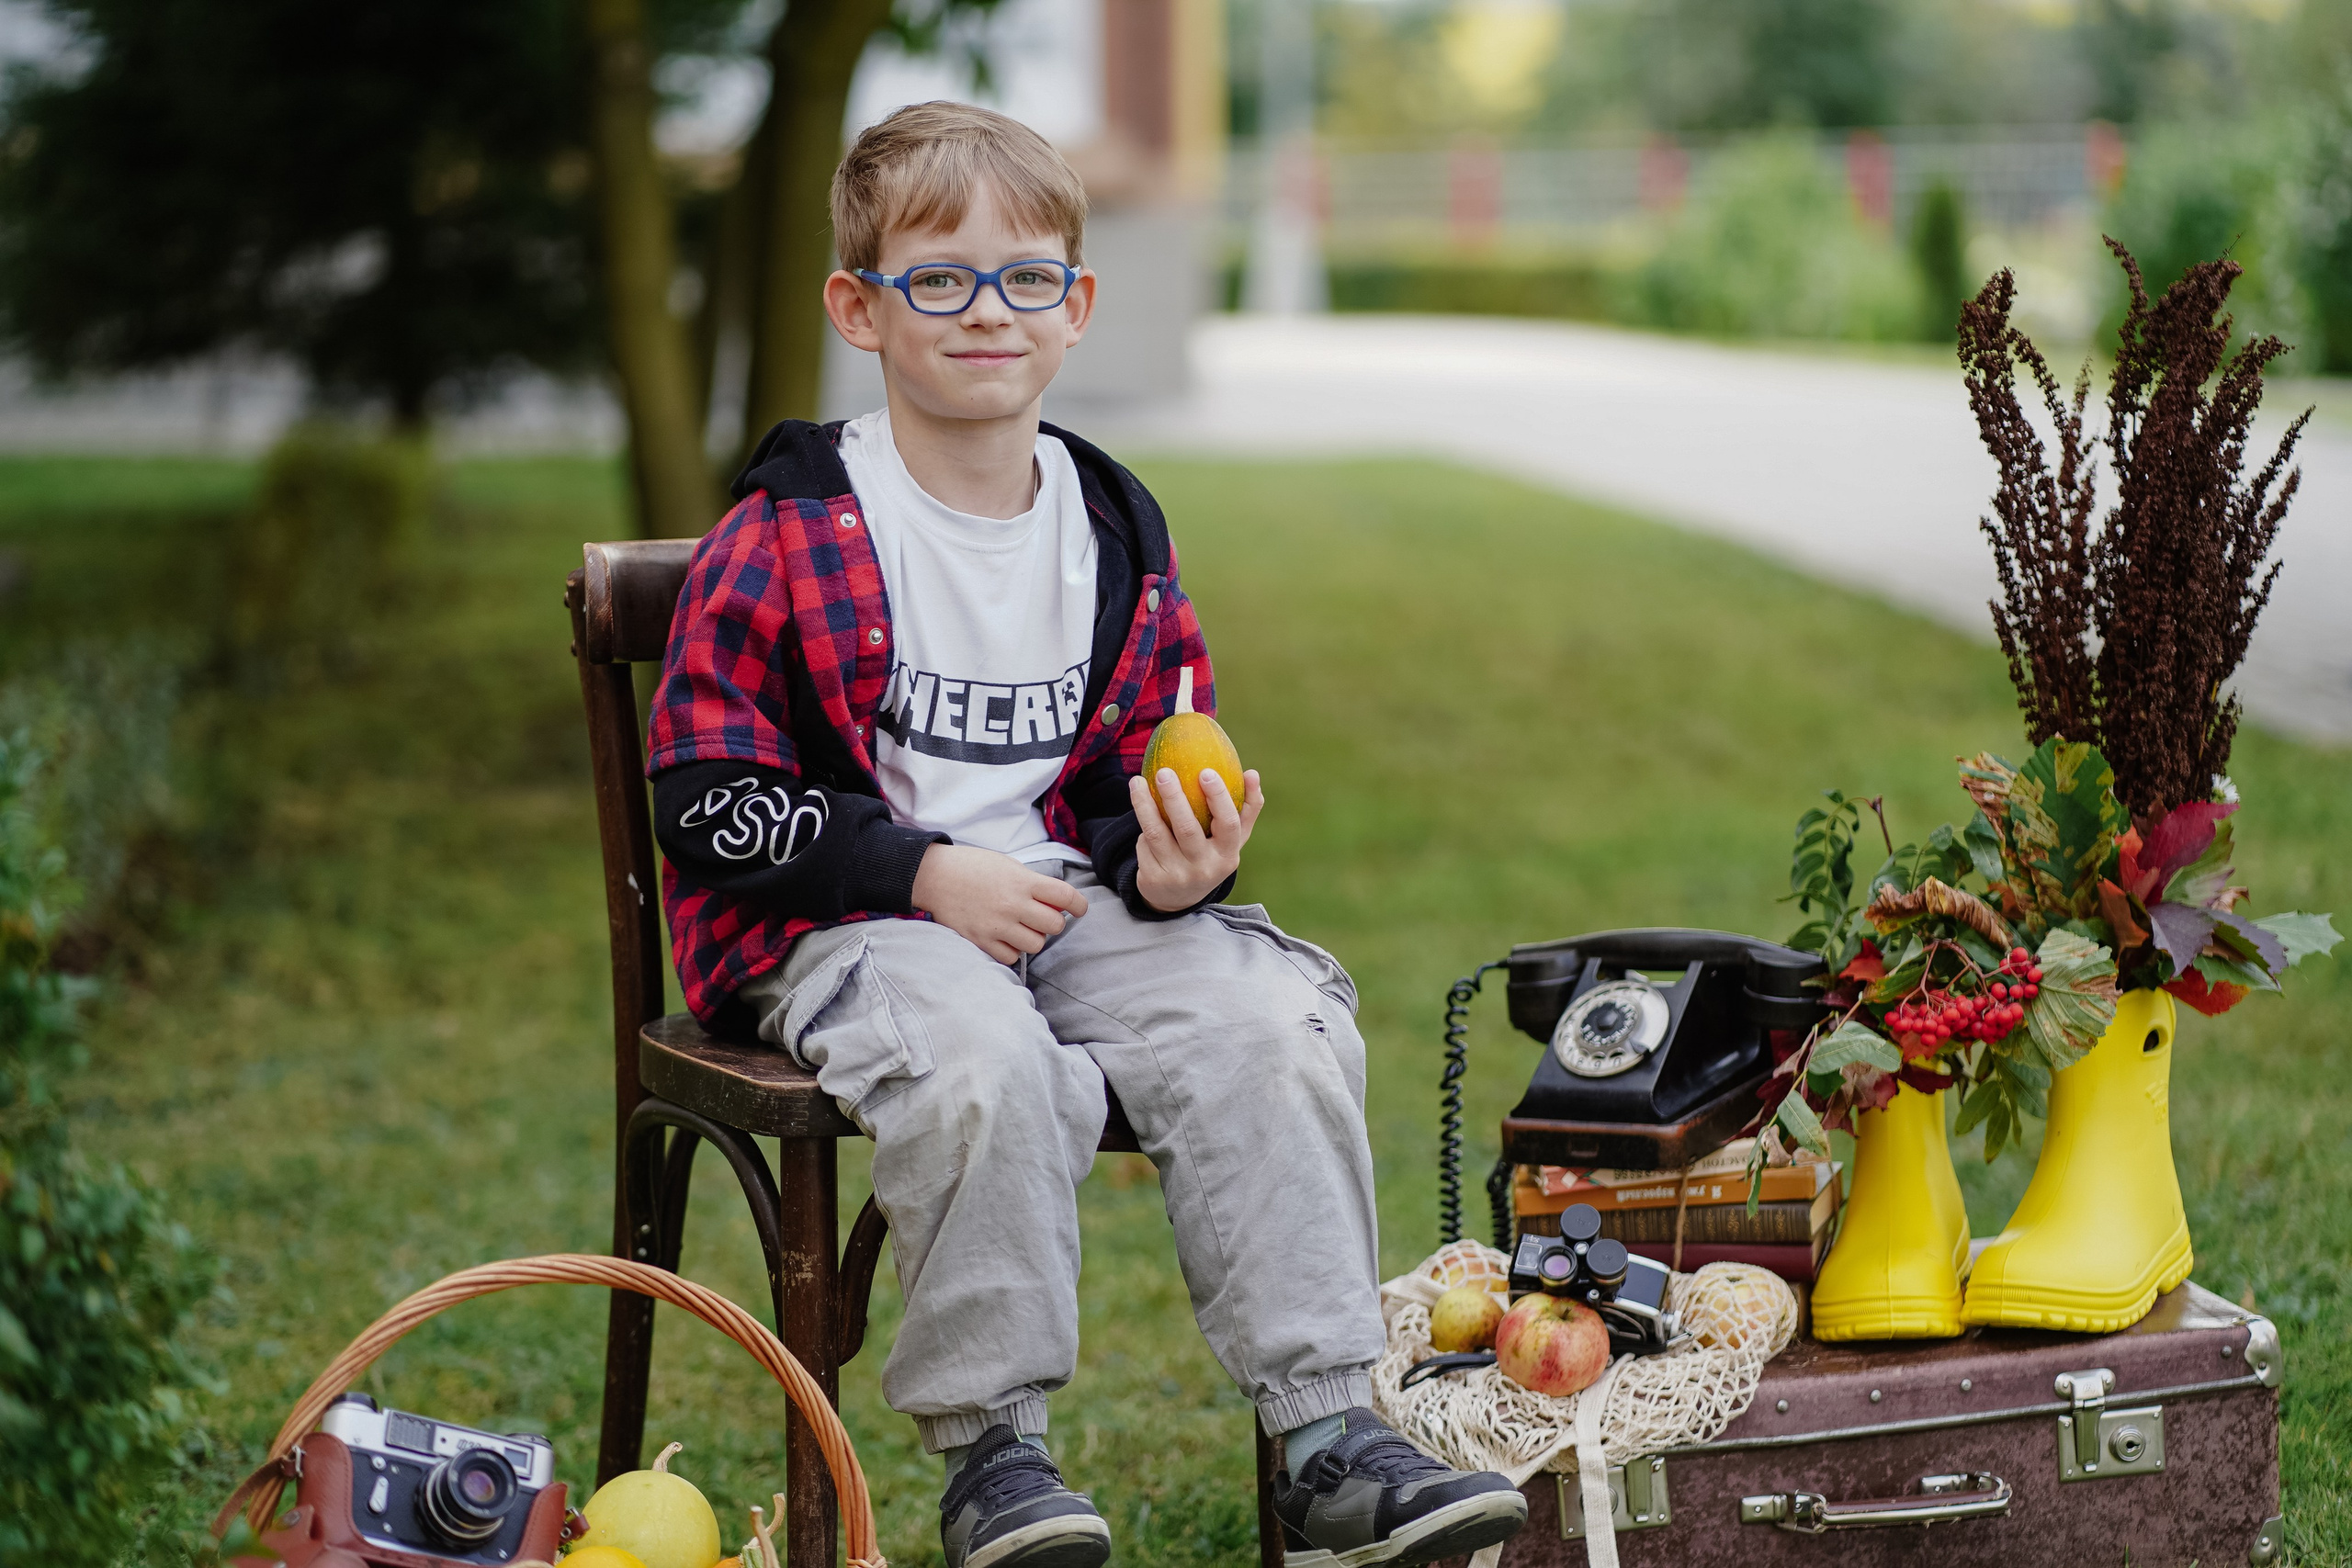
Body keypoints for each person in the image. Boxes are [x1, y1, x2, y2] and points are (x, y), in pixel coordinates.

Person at [648, 100, 1526, 1568]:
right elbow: (705, 796)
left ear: (1077, 308)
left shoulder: (1109, 522)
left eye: (1026, 277)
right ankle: (996, 1458)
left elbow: (1136, 765)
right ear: (859, 308)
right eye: (939, 279)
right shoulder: (793, 528)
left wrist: (1176, 861)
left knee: (1267, 1021)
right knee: (984, 1062)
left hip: (1072, 913)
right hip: (851, 931)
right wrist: (919, 870)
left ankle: (1326, 1442)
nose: (987, 311)